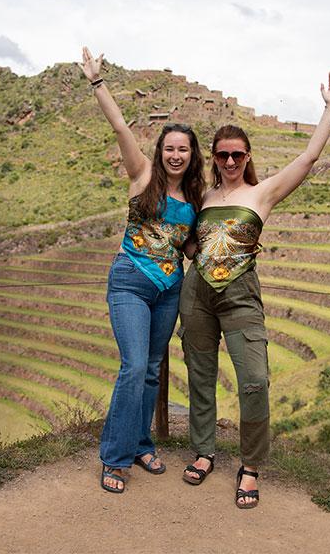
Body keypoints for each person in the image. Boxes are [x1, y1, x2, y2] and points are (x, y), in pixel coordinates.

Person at [179, 71, 330, 508]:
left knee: (254, 380)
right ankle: (203, 452)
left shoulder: (262, 193)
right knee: (200, 375)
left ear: (247, 156)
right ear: (214, 158)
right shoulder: (203, 198)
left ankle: (250, 466)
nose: (229, 161)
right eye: (222, 155)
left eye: (237, 154)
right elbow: (188, 238)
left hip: (240, 295)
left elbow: (308, 158)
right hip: (197, 293)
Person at [80, 47, 205, 494]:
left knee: (151, 369)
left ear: (192, 154)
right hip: (131, 282)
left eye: (183, 149)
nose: (176, 155)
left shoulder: (194, 197)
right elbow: (119, 126)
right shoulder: (142, 174)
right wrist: (98, 82)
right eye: (170, 148)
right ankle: (114, 459)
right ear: (161, 150)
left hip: (168, 290)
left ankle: (140, 444)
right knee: (133, 367)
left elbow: (188, 245)